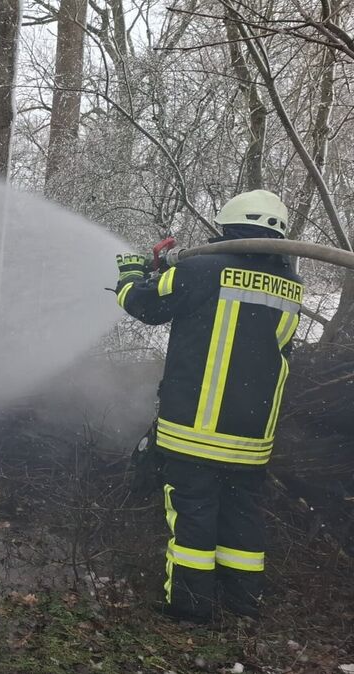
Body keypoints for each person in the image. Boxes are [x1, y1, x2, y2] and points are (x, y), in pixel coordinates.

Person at [115, 189, 303, 623]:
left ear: (229, 226)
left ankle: (190, 610)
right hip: (253, 438)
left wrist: (131, 274)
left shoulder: (203, 269)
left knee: (193, 519)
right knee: (241, 519)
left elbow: (145, 303)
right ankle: (243, 604)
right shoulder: (290, 286)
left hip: (196, 430)